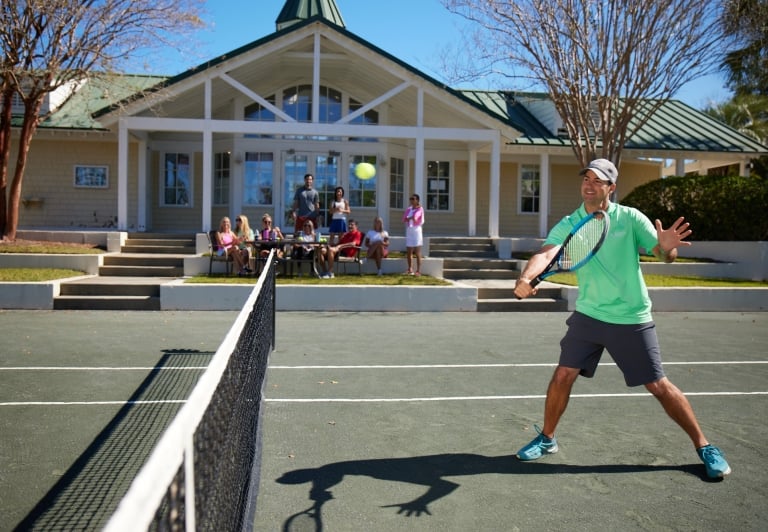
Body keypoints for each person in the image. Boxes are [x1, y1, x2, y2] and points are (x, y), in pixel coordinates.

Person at [512, 158, 731, 479]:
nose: (589, 184)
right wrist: (527, 277)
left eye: (597, 181)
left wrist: (668, 248)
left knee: (658, 385)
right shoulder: (571, 221)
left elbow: (661, 252)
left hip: (631, 316)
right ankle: (547, 438)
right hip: (589, 315)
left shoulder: (629, 219)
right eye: (585, 178)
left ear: (611, 188)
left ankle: (705, 446)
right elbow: (546, 253)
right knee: (563, 375)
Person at [403, 193, 425, 275]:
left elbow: (415, 218)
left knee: (417, 252)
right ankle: (410, 269)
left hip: (416, 231)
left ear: (417, 200)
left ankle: (418, 270)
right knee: (409, 251)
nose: (411, 200)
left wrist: (410, 218)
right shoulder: (409, 209)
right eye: (410, 199)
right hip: (409, 230)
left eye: (413, 199)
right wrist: (409, 218)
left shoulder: (420, 209)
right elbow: (404, 219)